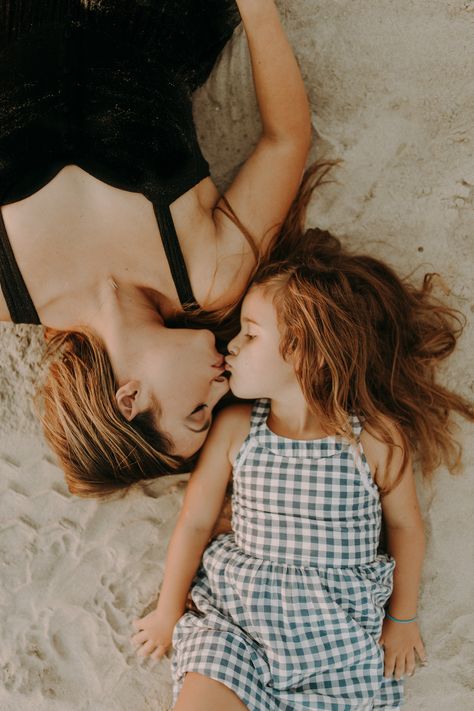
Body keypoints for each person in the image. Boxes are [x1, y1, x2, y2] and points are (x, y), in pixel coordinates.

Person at [130, 229, 474, 710]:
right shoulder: (236, 427)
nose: (231, 345)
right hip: (240, 618)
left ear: (305, 351)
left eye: (250, 334)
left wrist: (402, 618)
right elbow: (195, 521)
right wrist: (169, 609)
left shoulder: (374, 437)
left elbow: (404, 526)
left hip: (334, 634)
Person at [0, 0, 312, 495]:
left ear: (130, 399)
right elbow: (286, 141)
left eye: (196, 412)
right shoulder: (210, 276)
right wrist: (257, 9)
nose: (224, 387)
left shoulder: (6, 292)